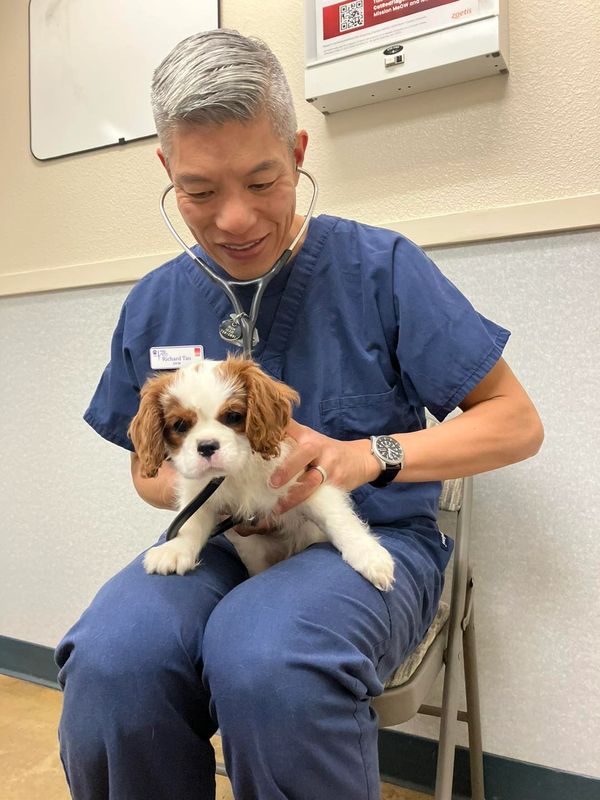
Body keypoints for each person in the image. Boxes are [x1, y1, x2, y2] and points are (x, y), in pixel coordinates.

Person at [55, 28, 543, 800]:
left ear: (300, 151)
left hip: (369, 537)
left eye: (263, 180)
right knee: (115, 658)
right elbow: (145, 471)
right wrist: (211, 491)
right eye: (200, 191)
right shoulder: (153, 301)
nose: (236, 219)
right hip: (217, 537)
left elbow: (516, 423)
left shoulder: (379, 268)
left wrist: (365, 455)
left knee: (270, 658)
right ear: (165, 172)